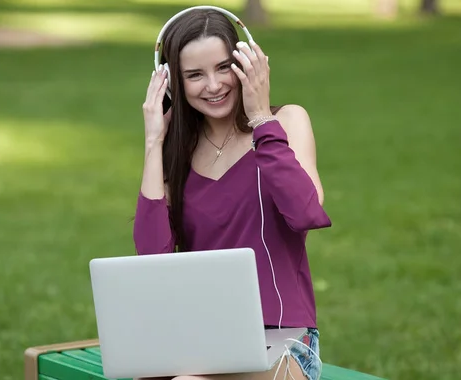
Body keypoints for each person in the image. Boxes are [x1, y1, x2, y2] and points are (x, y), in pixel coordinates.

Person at [133, 7, 332, 380]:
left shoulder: (286, 122)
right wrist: (153, 142)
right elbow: (151, 258)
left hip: (283, 342)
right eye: (194, 75)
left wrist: (260, 119)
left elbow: (305, 213)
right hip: (204, 336)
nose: (213, 85)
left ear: (247, 61)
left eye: (223, 67)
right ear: (173, 83)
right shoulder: (180, 152)